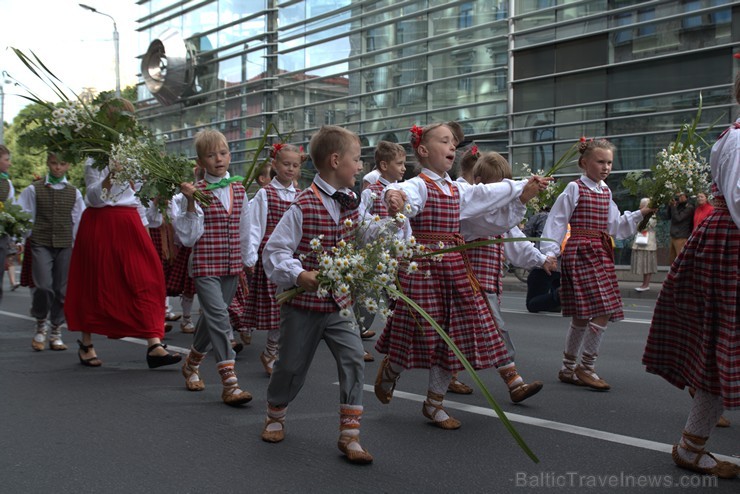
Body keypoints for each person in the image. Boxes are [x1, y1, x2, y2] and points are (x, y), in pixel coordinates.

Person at [374, 123, 549, 429]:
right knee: (415, 330)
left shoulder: (458, 189)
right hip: (425, 268)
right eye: (445, 141)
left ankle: (434, 403)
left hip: (454, 268)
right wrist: (394, 196)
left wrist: (521, 191)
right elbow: (402, 192)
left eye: (454, 143)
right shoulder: (419, 185)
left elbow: (488, 198)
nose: (452, 147)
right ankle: (392, 369)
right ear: (424, 150)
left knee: (450, 337)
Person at [642, 75, 740, 479]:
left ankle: (691, 444)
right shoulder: (737, 139)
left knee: (725, 348)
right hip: (731, 243)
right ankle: (690, 446)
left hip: (726, 240)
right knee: (724, 347)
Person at [261, 125, 373, 464]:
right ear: (336, 160)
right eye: (356, 159)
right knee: (291, 365)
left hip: (339, 303)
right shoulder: (302, 205)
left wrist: (393, 225)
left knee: (353, 357)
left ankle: (350, 434)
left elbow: (367, 236)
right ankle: (276, 412)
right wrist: (299, 273)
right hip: (304, 305)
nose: (360, 166)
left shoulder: (352, 203)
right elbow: (275, 252)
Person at [64, 98, 182, 369]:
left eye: (129, 119)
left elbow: (138, 196)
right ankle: (86, 342)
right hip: (101, 222)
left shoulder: (137, 154)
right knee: (96, 283)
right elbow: (94, 197)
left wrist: (148, 218)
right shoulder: (96, 156)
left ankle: (154, 344)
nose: (125, 124)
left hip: (130, 222)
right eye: (119, 119)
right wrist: (110, 176)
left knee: (147, 278)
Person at [541, 138, 652, 391]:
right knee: (603, 307)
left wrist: (639, 214)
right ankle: (586, 367)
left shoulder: (605, 191)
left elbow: (615, 226)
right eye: (600, 161)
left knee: (583, 314)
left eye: (609, 162)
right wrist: (549, 253)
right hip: (580, 251)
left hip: (600, 251)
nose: (606, 167)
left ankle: (568, 368)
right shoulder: (574, 188)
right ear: (584, 163)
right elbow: (557, 222)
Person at [457, 151, 553, 403]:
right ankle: (514, 382)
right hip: (470, 283)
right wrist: (520, 199)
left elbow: (516, 243)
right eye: (497, 188)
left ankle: (442, 376)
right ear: (479, 184)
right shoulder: (474, 213)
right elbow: (494, 224)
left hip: (487, 283)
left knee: (457, 332)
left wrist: (541, 260)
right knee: (495, 329)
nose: (502, 193)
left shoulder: (500, 214)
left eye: (505, 187)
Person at [175, 129, 253, 406]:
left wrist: (249, 259)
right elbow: (187, 237)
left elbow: (246, 228)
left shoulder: (240, 188)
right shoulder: (196, 192)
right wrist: (191, 201)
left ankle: (192, 364)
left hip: (232, 265)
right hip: (206, 263)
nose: (219, 159)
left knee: (211, 320)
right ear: (200, 161)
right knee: (220, 317)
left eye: (223, 153)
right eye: (211, 155)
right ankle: (230, 383)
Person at [243, 142, 303, 375]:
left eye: (295, 165)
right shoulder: (265, 194)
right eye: (286, 164)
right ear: (274, 165)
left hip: (294, 258)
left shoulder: (301, 195)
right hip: (272, 258)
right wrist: (250, 257)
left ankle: (273, 351)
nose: (290, 169)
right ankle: (269, 351)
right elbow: (255, 226)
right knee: (276, 307)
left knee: (289, 308)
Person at [18, 153, 85, 351]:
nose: (57, 167)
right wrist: (20, 239)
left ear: (68, 166)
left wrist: (77, 245)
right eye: (54, 163)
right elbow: (25, 215)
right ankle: (40, 323)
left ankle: (56, 329)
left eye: (62, 163)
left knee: (62, 290)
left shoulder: (74, 192)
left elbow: (78, 221)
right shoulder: (33, 189)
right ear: (48, 163)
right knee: (43, 286)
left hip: (65, 244)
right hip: (40, 242)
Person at [356, 140, 407, 362]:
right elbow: (362, 222)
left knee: (399, 301)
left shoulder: (404, 191)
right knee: (367, 301)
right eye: (400, 163)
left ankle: (398, 343)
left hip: (396, 256)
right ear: (384, 166)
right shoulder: (372, 193)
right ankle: (355, 342)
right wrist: (385, 225)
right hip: (375, 256)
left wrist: (406, 246)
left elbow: (407, 223)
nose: (404, 168)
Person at [630, 198, 658, 292]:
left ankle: (646, 285)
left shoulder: (652, 216)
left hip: (648, 244)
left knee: (648, 265)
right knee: (644, 265)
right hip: (641, 242)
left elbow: (643, 227)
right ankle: (644, 284)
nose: (639, 207)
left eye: (641, 205)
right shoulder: (642, 215)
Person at [0, 144, 16, 305]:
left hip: (1, 236)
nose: (9, 163)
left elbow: (12, 208)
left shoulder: (7, 183)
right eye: (6, 160)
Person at [665, 191, 695, 264]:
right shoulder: (677, 205)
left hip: (682, 236)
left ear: (686, 197)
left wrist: (673, 207)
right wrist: (670, 206)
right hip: (674, 235)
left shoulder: (689, 207)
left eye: (682, 196)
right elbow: (668, 216)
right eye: (678, 196)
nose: (679, 198)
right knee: (672, 260)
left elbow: (678, 219)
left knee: (680, 260)